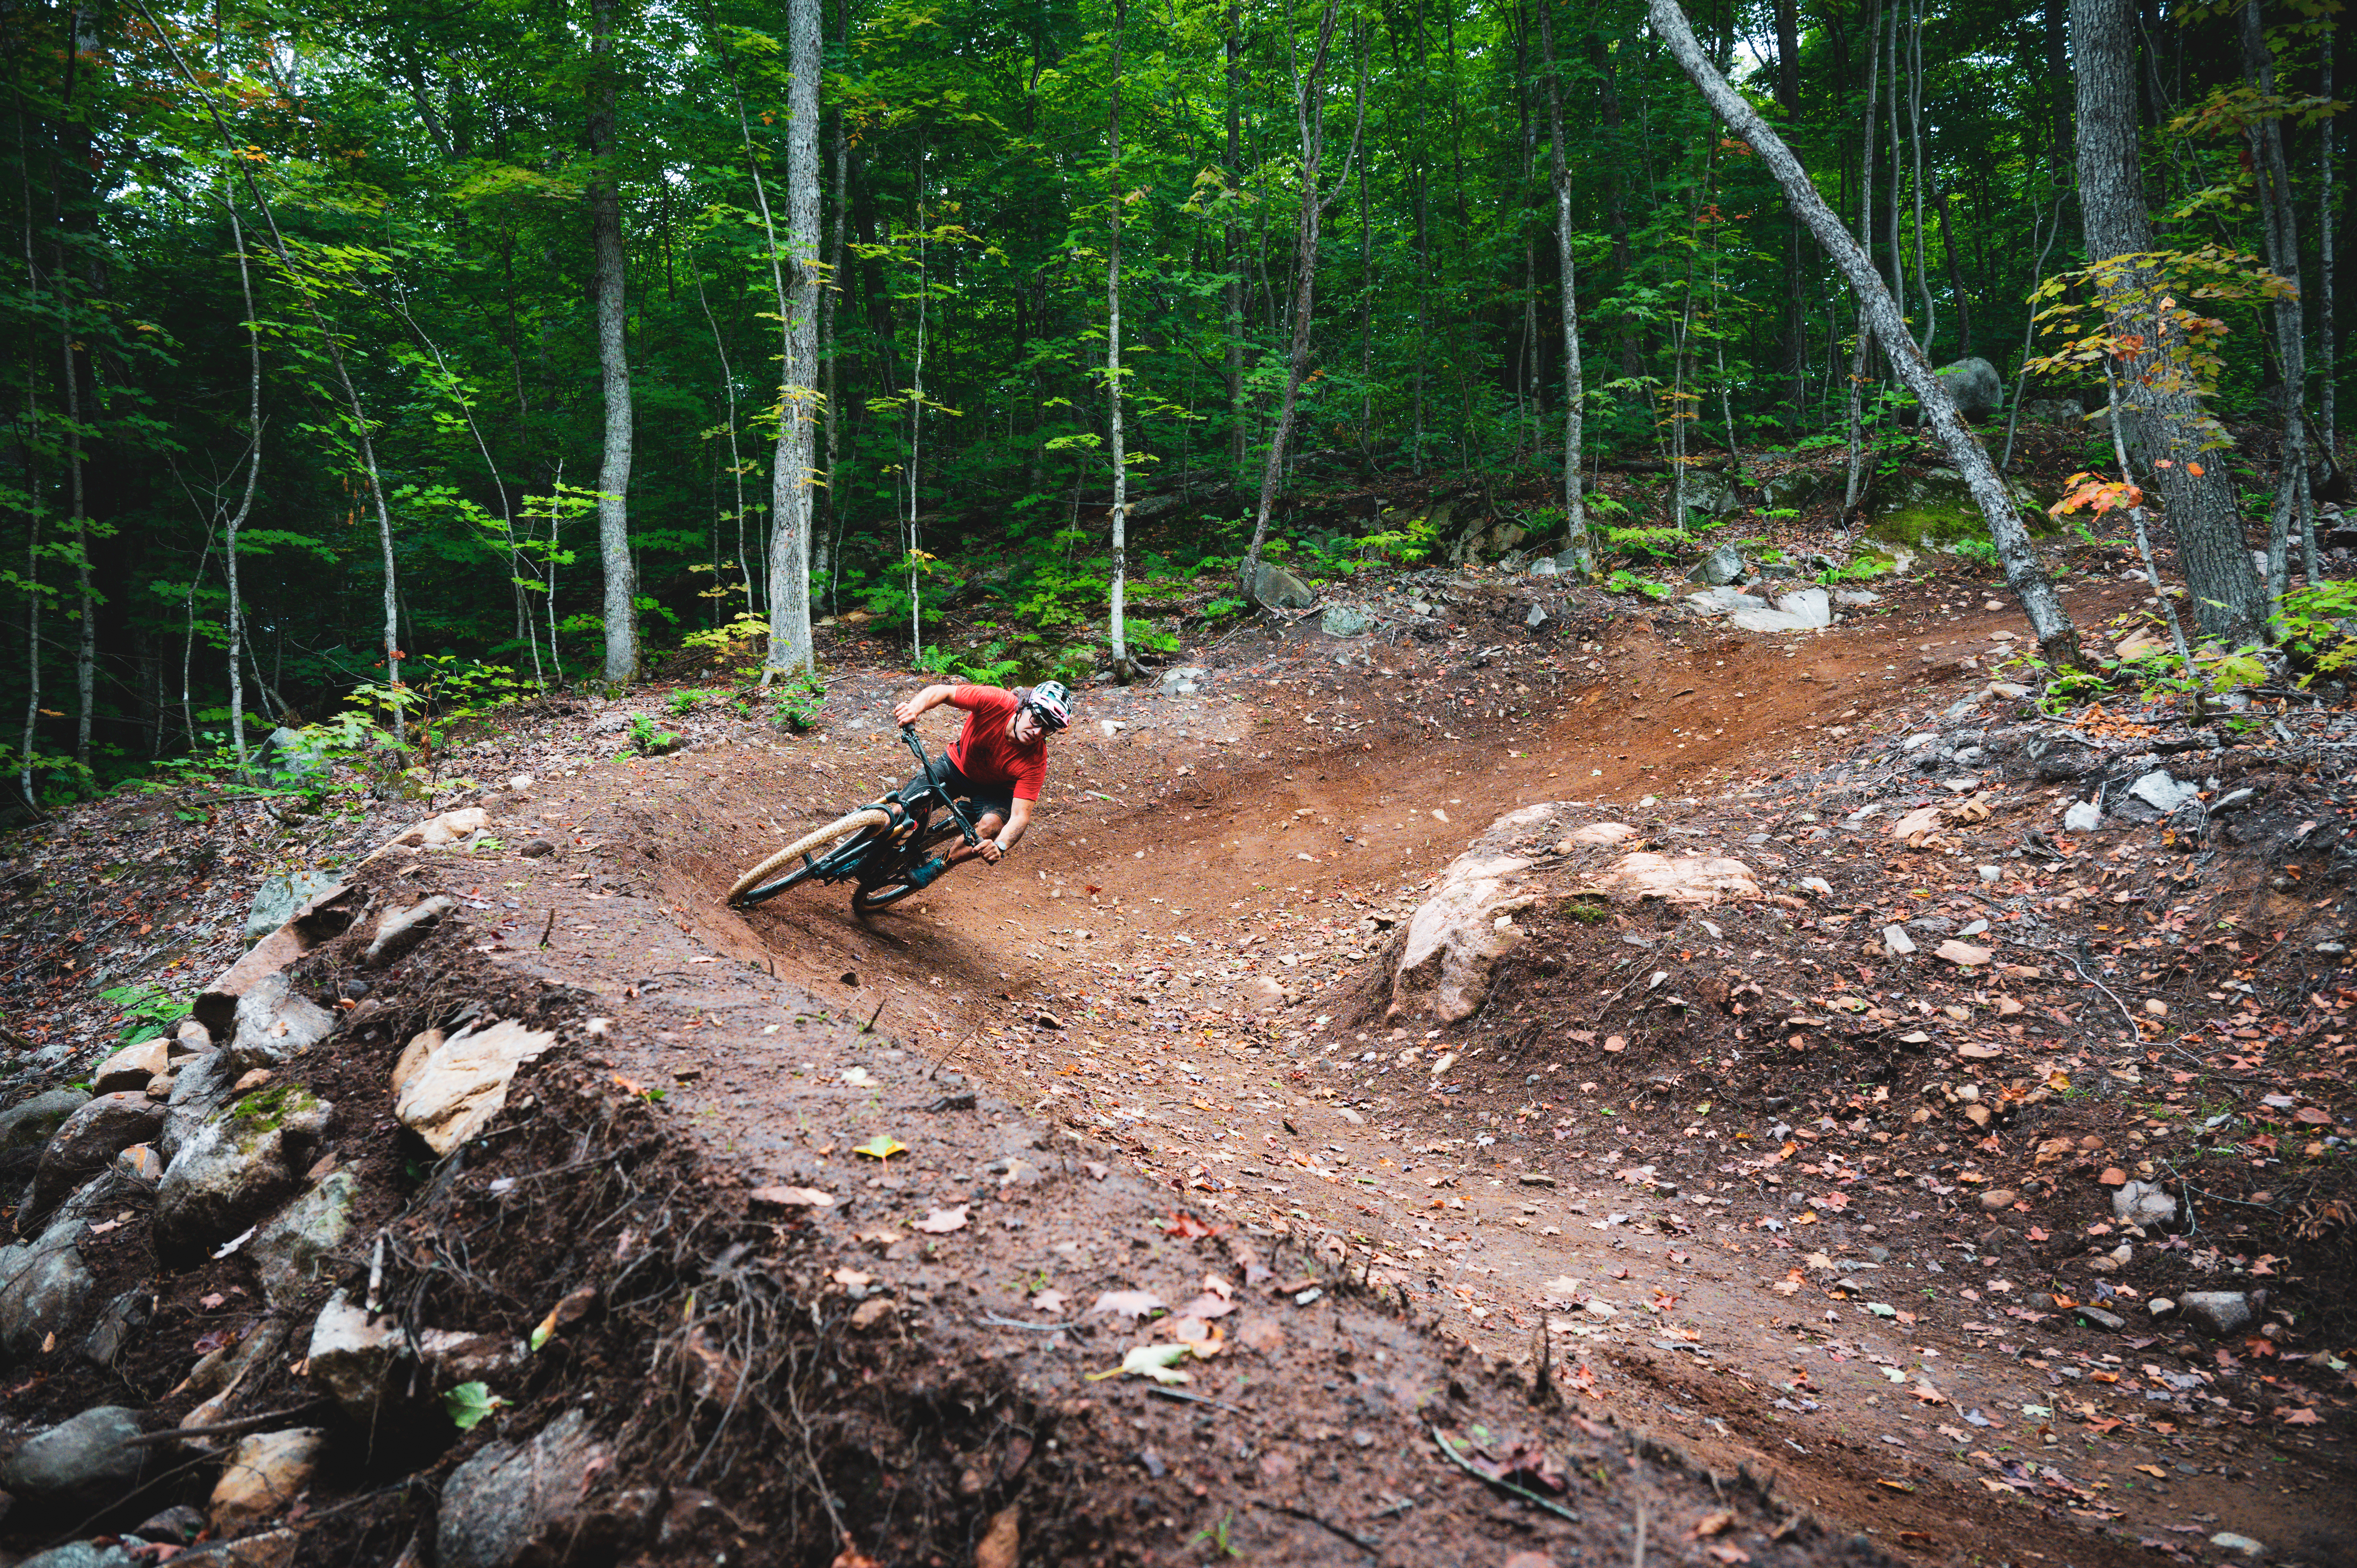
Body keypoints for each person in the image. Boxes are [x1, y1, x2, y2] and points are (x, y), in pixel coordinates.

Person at [886, 680, 1072, 887]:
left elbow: (1021, 816)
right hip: (958, 765)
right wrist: (913, 709)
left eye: (1048, 729)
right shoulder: (997, 702)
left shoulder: (1035, 761)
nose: (1038, 732)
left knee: (992, 827)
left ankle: (940, 865)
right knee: (900, 810)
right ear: (1023, 706)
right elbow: (943, 692)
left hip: (997, 790)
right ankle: (871, 847)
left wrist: (1001, 846)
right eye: (1037, 720)